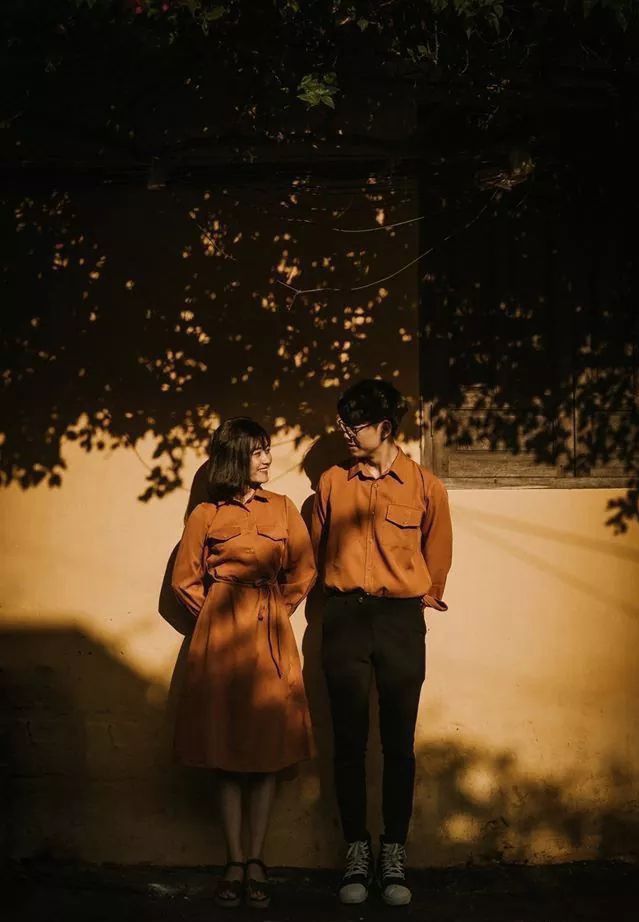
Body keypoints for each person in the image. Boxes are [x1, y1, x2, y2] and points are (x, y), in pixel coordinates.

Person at [311, 379, 453, 907]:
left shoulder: (425, 486)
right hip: (344, 618)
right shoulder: (331, 483)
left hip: (399, 622)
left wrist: (420, 597)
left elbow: (437, 551)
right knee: (348, 742)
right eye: (342, 422)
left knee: (399, 743)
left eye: (355, 424)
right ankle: (356, 853)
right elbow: (315, 547)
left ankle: (394, 853)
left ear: (385, 428)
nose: (345, 432)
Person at [172, 417, 316, 909]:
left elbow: (304, 570)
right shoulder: (205, 515)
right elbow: (184, 581)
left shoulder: (284, 509)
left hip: (271, 635)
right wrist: (218, 613)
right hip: (222, 640)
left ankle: (257, 859)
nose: (267, 460)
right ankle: (234, 861)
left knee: (267, 751)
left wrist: (275, 609)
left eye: (267, 450)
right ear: (235, 457)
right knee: (227, 752)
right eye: (257, 452)